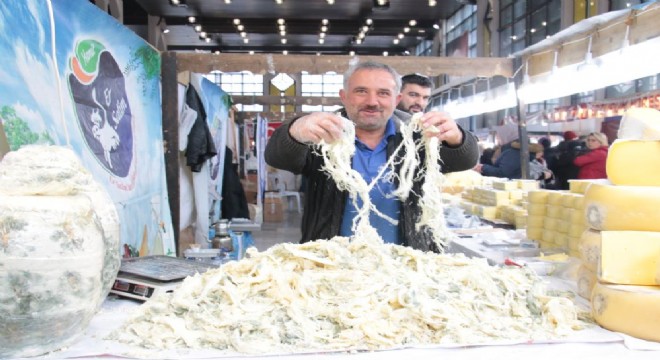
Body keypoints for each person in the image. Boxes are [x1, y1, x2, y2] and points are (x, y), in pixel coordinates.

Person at [265, 61, 479, 252]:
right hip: (332, 260)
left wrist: (458, 137)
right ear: (344, 96)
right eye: (361, 91)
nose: (372, 101)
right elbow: (277, 157)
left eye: (383, 93)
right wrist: (294, 131)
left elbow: (464, 159)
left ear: (396, 100)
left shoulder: (416, 135)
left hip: (407, 261)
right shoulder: (323, 133)